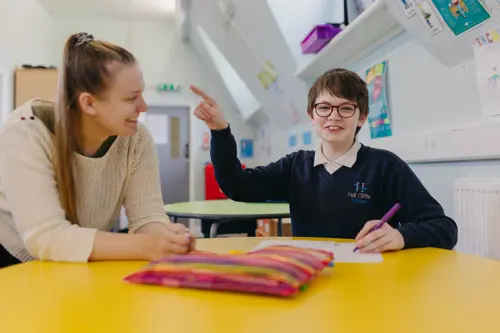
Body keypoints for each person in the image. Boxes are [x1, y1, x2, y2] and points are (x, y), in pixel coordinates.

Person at [190, 68, 458, 253]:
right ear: (312, 115)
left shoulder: (386, 166)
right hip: (311, 275)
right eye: (324, 108)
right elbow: (237, 186)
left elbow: (445, 228)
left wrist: (400, 236)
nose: (334, 116)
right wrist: (220, 131)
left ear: (361, 117)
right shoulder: (296, 166)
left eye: (346, 108)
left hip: (372, 279)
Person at [0, 32, 195, 268]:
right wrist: (147, 245)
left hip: (77, 260)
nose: (143, 107)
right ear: (89, 103)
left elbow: (147, 217)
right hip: (13, 262)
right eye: (132, 98)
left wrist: (167, 240)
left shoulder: (137, 139)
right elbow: (46, 237)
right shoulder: (25, 132)